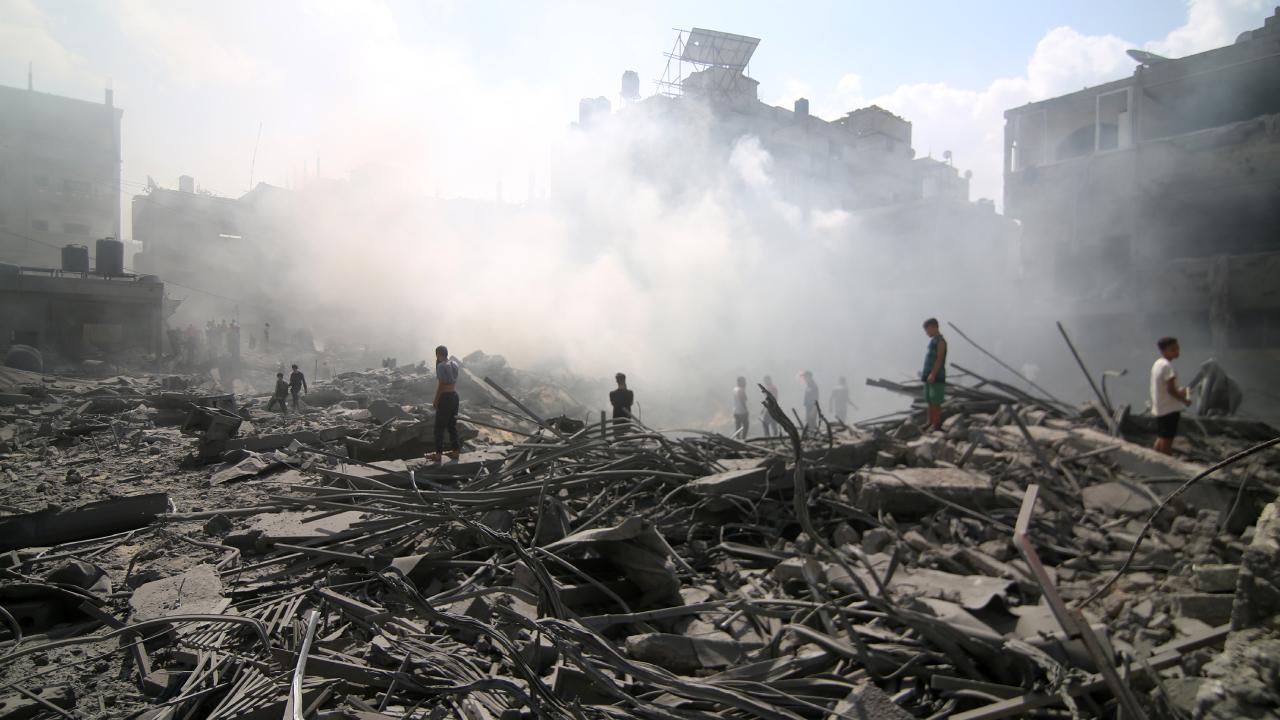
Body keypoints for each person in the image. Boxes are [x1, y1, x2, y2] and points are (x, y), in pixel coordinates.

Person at [1150, 336, 1192, 455]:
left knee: (1161, 437)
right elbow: (1171, 390)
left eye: (1177, 348)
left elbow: (1166, 387)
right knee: (1167, 440)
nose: (1176, 352)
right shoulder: (1168, 367)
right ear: (1163, 351)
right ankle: (1165, 462)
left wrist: (1180, 390)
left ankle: (1155, 459)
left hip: (1160, 408)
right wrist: (1185, 400)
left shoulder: (1158, 364)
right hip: (1170, 409)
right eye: (1172, 349)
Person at [429, 345, 461, 462]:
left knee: (439, 428)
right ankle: (455, 451)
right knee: (452, 426)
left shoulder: (441, 366)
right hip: (454, 396)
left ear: (438, 354)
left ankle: (438, 454)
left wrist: (436, 400)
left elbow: (441, 385)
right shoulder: (454, 364)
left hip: (446, 398)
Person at [921, 318, 947, 433]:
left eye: (927, 330)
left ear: (933, 327)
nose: (927, 333)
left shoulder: (941, 342)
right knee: (930, 399)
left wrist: (933, 374)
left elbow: (939, 359)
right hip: (928, 375)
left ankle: (936, 424)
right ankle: (929, 422)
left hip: (936, 375)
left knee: (936, 400)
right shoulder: (933, 341)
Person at [609, 373, 635, 439]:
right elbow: (631, 403)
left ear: (616, 381)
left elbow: (613, 404)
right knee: (627, 440)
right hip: (627, 421)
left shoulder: (612, 394)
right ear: (625, 380)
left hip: (616, 421)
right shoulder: (630, 393)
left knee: (617, 440)